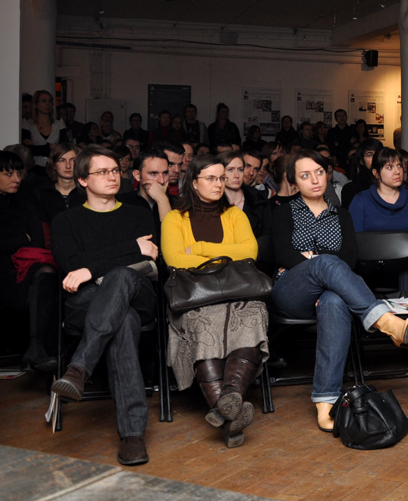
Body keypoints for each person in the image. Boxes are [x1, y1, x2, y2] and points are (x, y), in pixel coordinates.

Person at [271, 150, 408, 431]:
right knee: (326, 263)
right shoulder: (283, 212)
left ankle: (325, 401)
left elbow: (350, 259)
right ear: (294, 182)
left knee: (334, 301)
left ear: (327, 175)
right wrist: (320, 265)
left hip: (333, 292)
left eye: (319, 172)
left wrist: (318, 266)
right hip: (292, 290)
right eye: (305, 175)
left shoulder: (341, 214)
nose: (315, 180)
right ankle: (384, 320)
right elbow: (284, 255)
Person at [49, 146, 158, 465]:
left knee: (121, 276)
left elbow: (150, 262)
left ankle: (79, 367)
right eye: (102, 172)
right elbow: (70, 265)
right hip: (87, 304)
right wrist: (130, 248)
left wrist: (90, 269)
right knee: (122, 321)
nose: (113, 177)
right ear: (82, 180)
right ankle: (133, 435)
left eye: (115, 170)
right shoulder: (65, 221)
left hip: (138, 294)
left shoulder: (138, 212)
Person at [160, 154, 269, 449]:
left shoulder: (235, 215)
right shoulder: (174, 218)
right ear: (194, 183)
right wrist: (225, 255)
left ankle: (228, 401)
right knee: (204, 321)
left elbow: (250, 252)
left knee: (253, 313)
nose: (219, 184)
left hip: (238, 293)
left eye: (221, 178)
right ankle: (231, 411)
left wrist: (201, 248)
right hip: (195, 297)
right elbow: (175, 260)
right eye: (211, 178)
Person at [0, 149, 60, 372]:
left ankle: (38, 349)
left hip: (27, 263)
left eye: (19, 173)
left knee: (48, 273)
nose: (16, 179)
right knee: (42, 280)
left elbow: (36, 240)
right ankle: (38, 351)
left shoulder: (25, 198)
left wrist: (18, 240)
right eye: (8, 174)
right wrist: (20, 238)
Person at [348, 147, 408, 296]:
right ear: (376, 173)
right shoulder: (361, 200)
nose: (397, 172)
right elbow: (355, 241)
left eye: (399, 166)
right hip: (369, 266)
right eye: (389, 167)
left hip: (406, 267)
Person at [116, 149, 173, 237]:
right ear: (137, 175)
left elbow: (172, 239)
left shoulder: (180, 204)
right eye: (153, 173)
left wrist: (162, 200)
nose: (161, 180)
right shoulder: (122, 203)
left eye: (165, 173)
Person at [219, 150, 270, 243]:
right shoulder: (213, 201)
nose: (236, 175)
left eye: (240, 170)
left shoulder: (259, 200)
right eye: (230, 170)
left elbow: (266, 237)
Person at [36, 144, 84, 223]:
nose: (68, 166)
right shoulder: (41, 194)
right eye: (62, 160)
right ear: (54, 165)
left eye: (73, 160)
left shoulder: (87, 194)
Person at [22, 90, 70, 167]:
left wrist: (36, 147)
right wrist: (51, 147)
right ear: (36, 104)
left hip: (55, 166)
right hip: (35, 167)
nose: (48, 104)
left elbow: (64, 148)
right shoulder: (27, 124)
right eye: (44, 101)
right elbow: (27, 150)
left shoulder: (59, 124)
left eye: (50, 101)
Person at [339, 138, 383, 210]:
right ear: (361, 161)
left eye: (378, 153)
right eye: (370, 155)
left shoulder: (391, 183)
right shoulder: (351, 189)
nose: (375, 158)